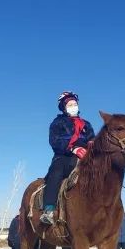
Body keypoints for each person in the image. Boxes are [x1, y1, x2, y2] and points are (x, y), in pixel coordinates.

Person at [40, 91, 95, 225]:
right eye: (69, 104)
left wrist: (91, 148)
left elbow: (92, 139)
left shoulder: (86, 124)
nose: (73, 106)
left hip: (85, 157)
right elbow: (54, 141)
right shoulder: (57, 123)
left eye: (74, 104)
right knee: (56, 172)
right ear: (64, 107)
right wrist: (73, 148)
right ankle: (49, 210)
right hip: (64, 156)